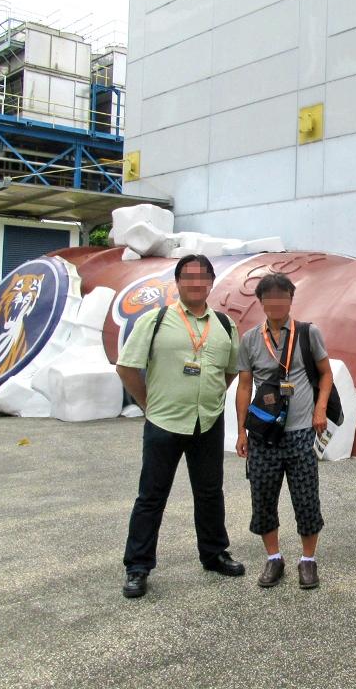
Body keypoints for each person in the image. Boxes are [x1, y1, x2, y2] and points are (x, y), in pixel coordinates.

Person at [116, 254, 244, 599]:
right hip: (164, 421)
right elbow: (126, 367)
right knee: (151, 496)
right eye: (188, 277)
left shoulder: (225, 324)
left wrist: (211, 398)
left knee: (210, 492)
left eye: (203, 277)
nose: (196, 283)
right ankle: (138, 566)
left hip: (208, 420)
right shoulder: (155, 320)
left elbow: (230, 370)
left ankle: (214, 553)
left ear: (211, 282)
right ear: (178, 282)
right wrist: (148, 404)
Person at [235, 273, 333, 590]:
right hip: (263, 434)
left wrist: (320, 409)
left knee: (306, 498)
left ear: (291, 299)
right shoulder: (250, 339)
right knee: (263, 498)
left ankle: (308, 560)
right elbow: (244, 385)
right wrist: (241, 432)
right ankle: (274, 558)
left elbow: (326, 373)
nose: (276, 302)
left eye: (282, 296)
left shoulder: (308, 333)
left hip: (301, 431)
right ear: (261, 301)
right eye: (270, 297)